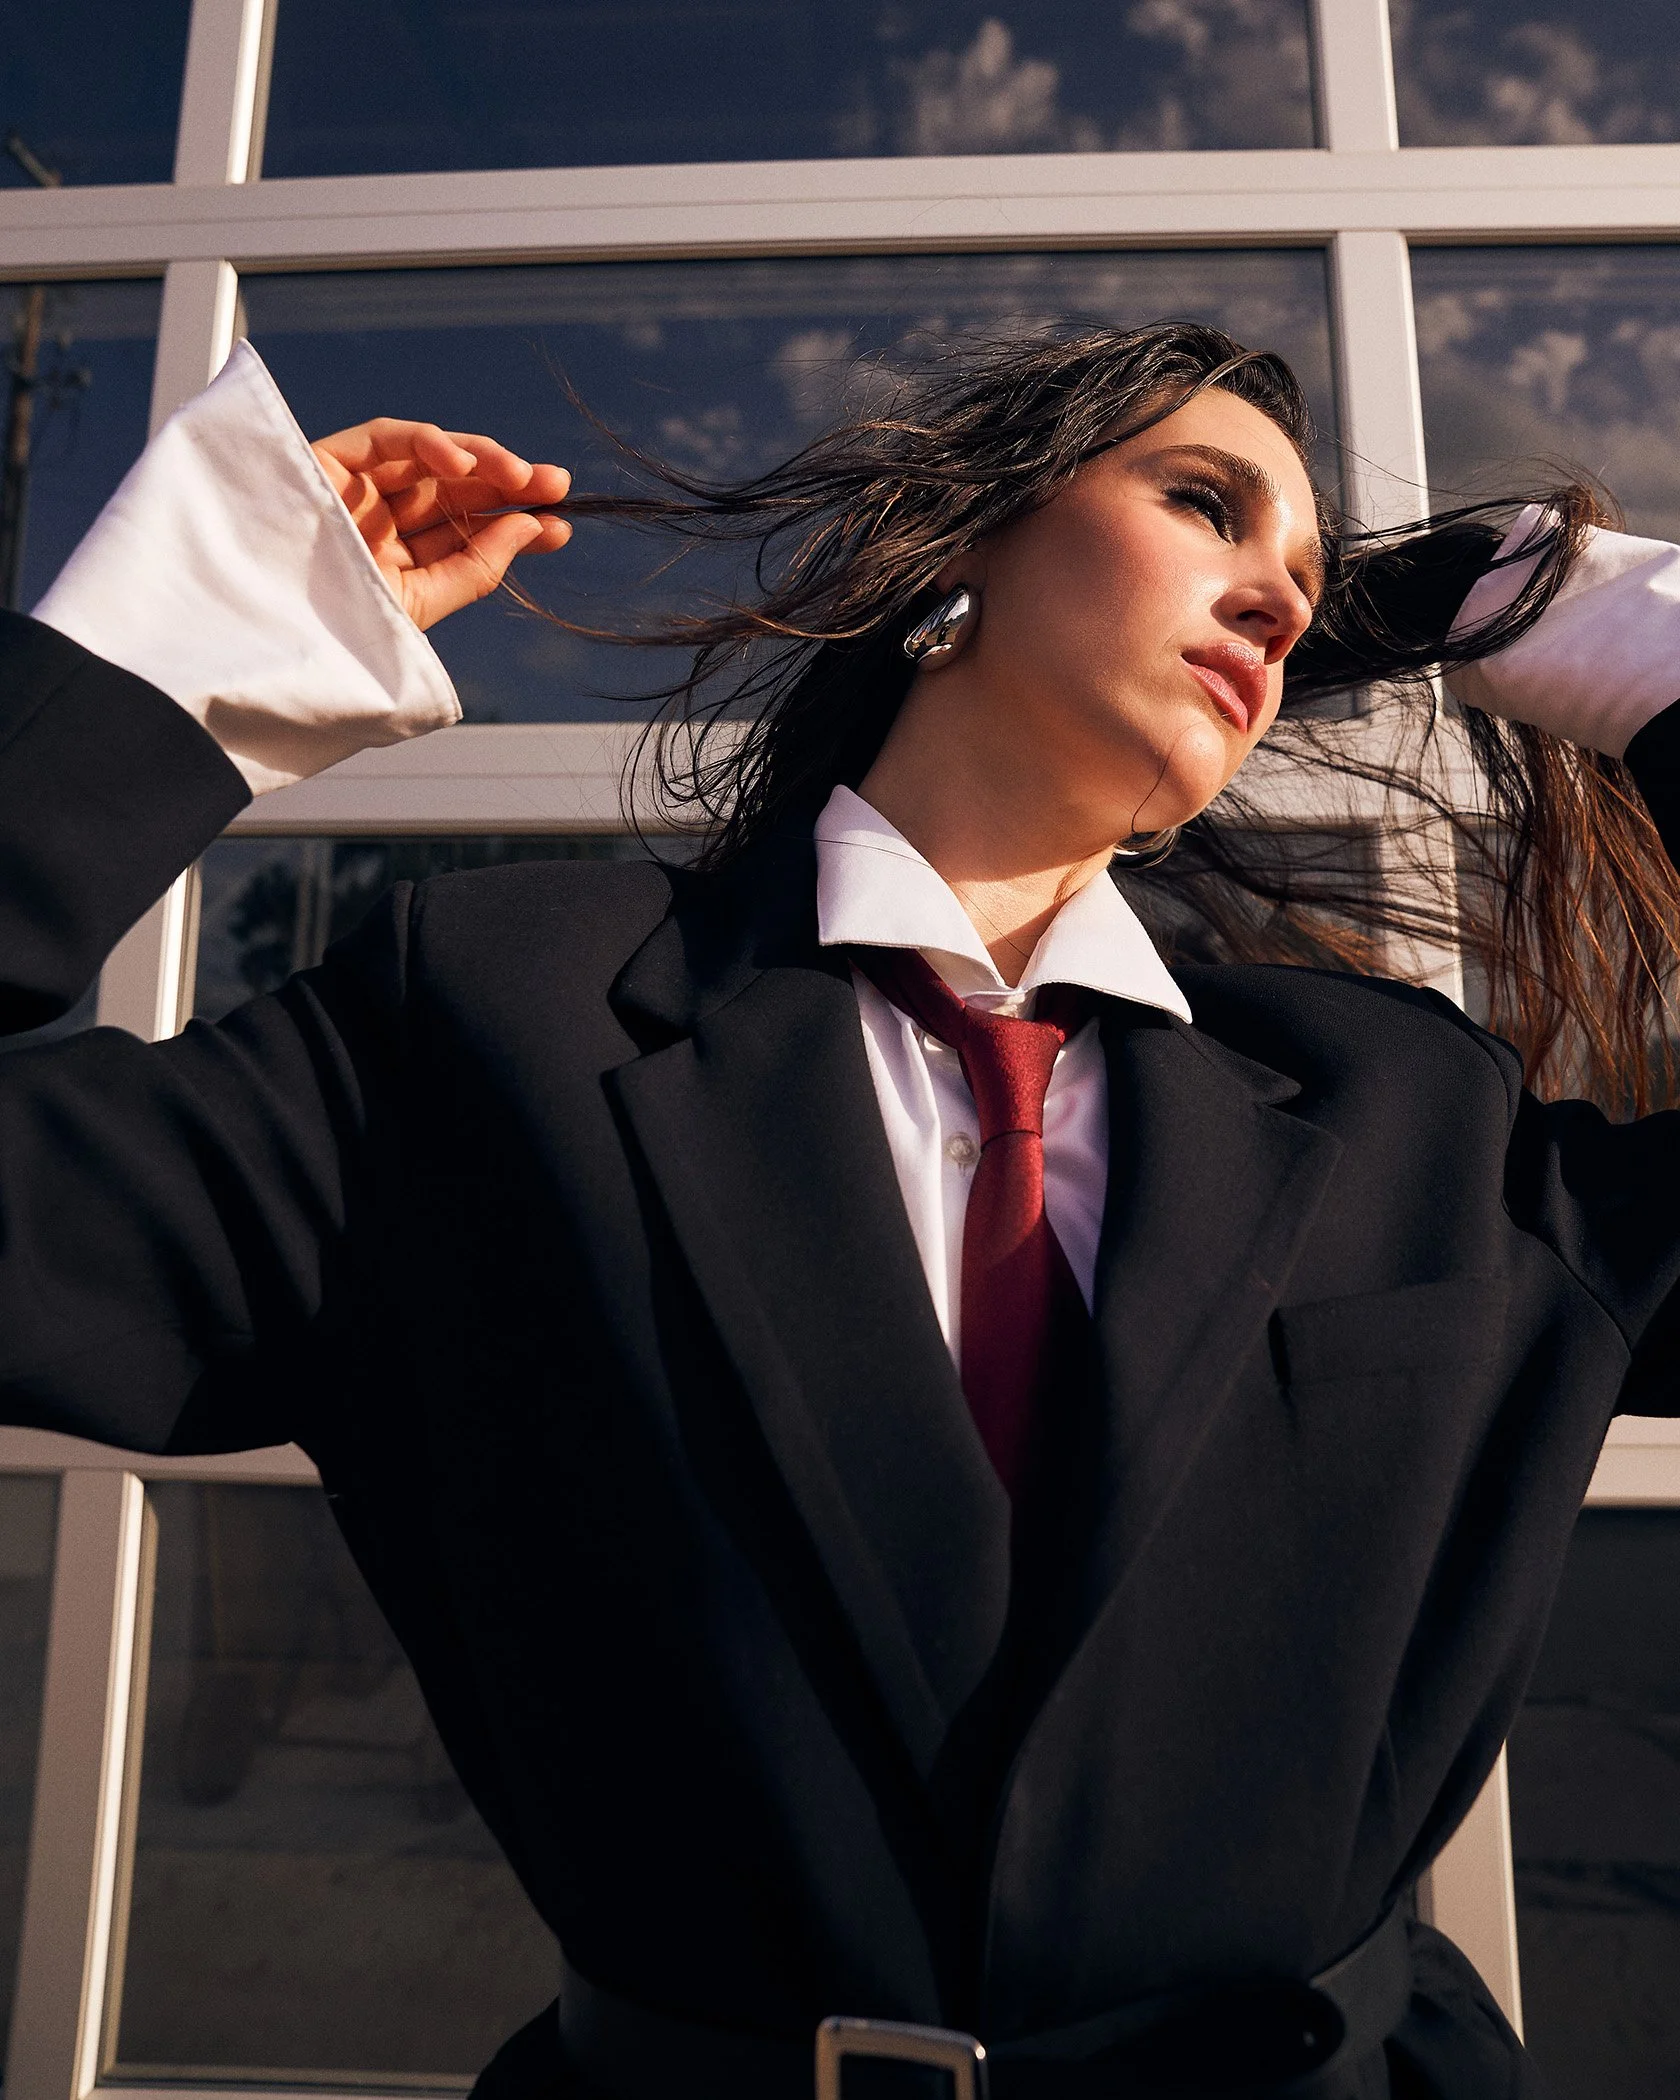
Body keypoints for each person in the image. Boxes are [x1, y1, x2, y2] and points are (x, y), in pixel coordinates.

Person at [7, 320, 1680, 2100]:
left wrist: (1621, 638)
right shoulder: (491, 1021)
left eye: (1307, 584)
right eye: (1204, 504)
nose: (1277, 603)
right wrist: (189, 651)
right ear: (963, 542)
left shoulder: (1411, 1106)